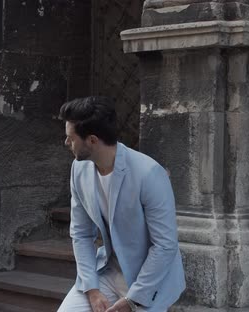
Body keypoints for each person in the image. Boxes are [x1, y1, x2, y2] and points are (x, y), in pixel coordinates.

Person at [57, 96, 185, 312]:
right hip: (106, 271)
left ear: (92, 140)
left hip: (148, 279)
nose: (66, 143)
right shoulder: (78, 170)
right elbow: (81, 233)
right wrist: (91, 289)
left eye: (71, 138)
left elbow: (165, 245)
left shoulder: (149, 174)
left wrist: (133, 300)